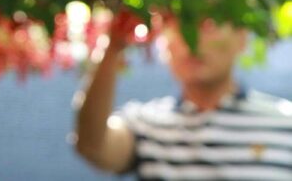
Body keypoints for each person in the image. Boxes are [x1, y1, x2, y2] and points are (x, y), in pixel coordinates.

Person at [73, 13, 292, 180]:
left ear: (242, 38)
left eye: (209, 26)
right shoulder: (146, 125)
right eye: (179, 27)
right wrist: (112, 47)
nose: (193, 42)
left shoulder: (285, 123)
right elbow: (93, 146)